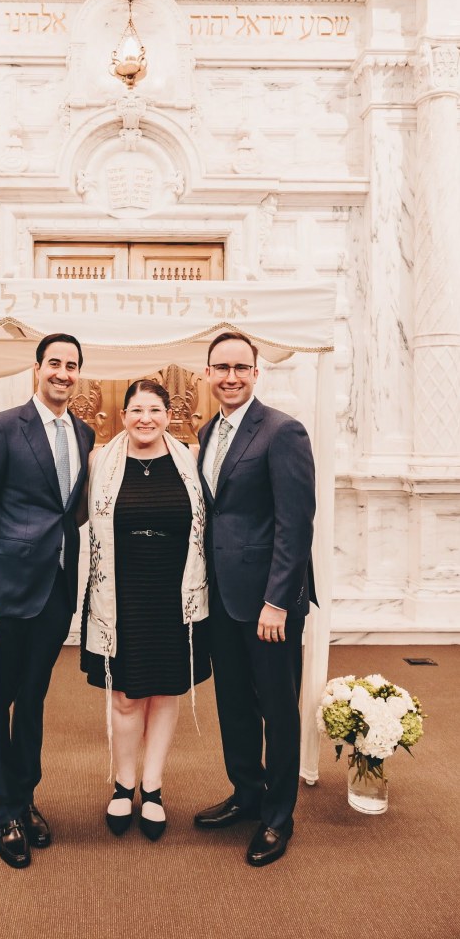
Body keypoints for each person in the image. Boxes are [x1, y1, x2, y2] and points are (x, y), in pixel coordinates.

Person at [0, 333, 95, 869]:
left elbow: (70, 511)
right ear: (37, 369)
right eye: (54, 362)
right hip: (4, 594)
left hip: (56, 593)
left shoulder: (83, 432)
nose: (63, 372)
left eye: (72, 365)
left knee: (33, 701)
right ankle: (4, 811)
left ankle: (26, 795)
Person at [194, 330, 317, 867]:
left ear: (255, 373)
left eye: (240, 368)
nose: (231, 377)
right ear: (207, 374)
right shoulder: (207, 431)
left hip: (269, 603)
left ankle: (277, 816)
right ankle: (246, 792)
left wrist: (278, 601)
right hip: (222, 597)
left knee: (277, 709)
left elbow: (296, 524)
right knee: (234, 703)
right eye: (221, 368)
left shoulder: (283, 431)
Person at [82, 380, 209, 841]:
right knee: (126, 695)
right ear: (123, 416)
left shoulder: (190, 458)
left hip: (175, 592)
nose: (145, 418)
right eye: (136, 410)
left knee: (165, 691)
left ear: (168, 415)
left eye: (154, 410)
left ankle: (152, 788)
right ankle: (123, 784)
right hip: (121, 593)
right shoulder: (100, 460)